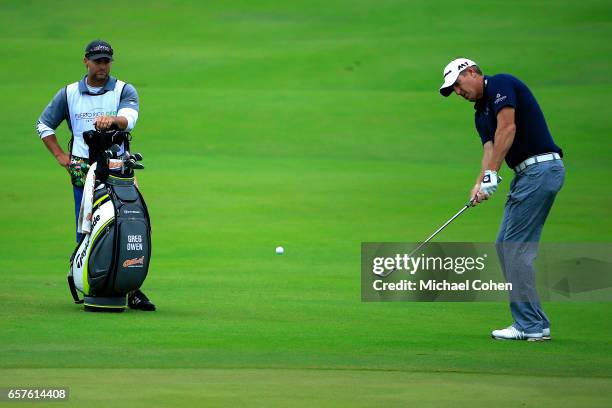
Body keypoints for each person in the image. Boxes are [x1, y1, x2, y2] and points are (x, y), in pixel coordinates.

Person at [439, 58, 565, 341]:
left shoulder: (500, 84)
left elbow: (507, 128)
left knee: (513, 248)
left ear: (471, 72)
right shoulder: (479, 113)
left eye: (458, 85)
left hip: (541, 169)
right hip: (527, 175)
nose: (458, 93)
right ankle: (535, 322)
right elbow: (490, 148)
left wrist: (493, 174)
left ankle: (530, 326)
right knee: (504, 245)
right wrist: (479, 183)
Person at [36, 40, 156, 311]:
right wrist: (59, 156)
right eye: (98, 61)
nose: (103, 66)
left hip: (118, 168)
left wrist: (112, 120)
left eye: (107, 61)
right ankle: (90, 282)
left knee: (128, 224)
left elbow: (129, 118)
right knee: (87, 226)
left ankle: (131, 288)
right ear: (86, 61)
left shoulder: (124, 89)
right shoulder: (68, 93)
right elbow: (43, 124)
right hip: (82, 168)